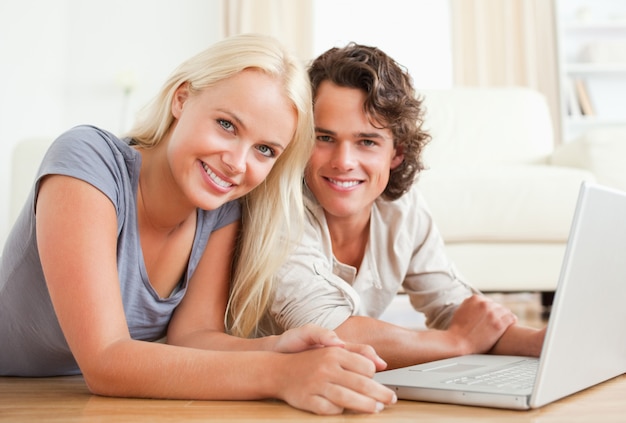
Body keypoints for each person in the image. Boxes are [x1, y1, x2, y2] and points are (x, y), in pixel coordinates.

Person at [0, 34, 397, 416]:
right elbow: (106, 360)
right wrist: (280, 374)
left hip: (76, 401)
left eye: (264, 150)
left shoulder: (221, 208)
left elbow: (193, 339)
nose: (237, 163)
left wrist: (279, 349)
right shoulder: (88, 162)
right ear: (182, 98)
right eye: (227, 125)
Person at [236, 42, 546, 370]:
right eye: (324, 138)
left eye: (366, 142)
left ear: (396, 153)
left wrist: (541, 343)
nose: (343, 162)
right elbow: (327, 330)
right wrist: (456, 342)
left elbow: (457, 310)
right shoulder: (280, 206)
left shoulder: (401, 208)